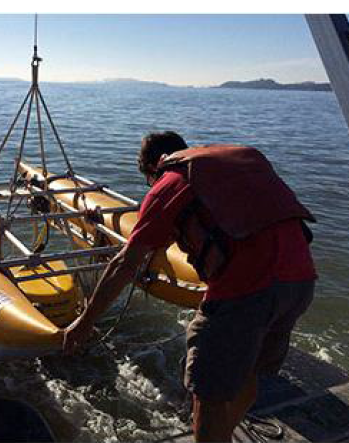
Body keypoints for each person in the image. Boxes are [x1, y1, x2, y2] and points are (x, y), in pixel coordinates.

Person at [63, 131, 317, 442]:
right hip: (300, 280)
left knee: (206, 396)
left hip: (246, 292)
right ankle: (223, 436)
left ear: (150, 167)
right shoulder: (219, 169)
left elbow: (124, 265)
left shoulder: (168, 185)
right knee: (247, 373)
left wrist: (84, 322)